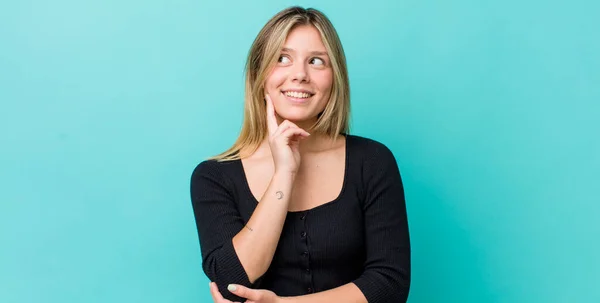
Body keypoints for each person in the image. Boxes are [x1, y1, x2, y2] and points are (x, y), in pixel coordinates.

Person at [190, 6, 410, 303]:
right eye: (283, 59)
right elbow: (233, 280)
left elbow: (389, 285)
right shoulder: (213, 177)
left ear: (335, 78)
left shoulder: (372, 161)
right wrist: (284, 173)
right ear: (259, 73)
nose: (300, 75)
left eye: (317, 61)